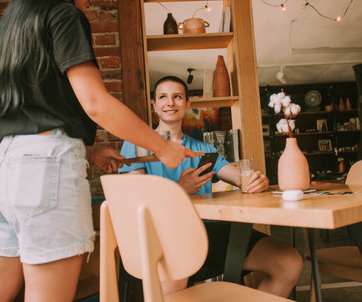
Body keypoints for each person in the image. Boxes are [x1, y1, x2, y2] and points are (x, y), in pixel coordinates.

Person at [0, 1, 196, 301]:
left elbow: (35, 110)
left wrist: (90, 151)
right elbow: (95, 103)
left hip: (0, 167)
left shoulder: (13, 20)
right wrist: (162, 147)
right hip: (42, 173)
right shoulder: (63, 13)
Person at [119, 76, 303, 298]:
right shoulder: (137, 144)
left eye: (177, 97)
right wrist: (179, 189)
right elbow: (134, 200)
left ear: (188, 104)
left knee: (289, 263)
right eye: (163, 97)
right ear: (154, 105)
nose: (170, 103)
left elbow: (240, 179)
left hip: (207, 234)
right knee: (172, 293)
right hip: (162, 236)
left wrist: (255, 181)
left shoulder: (203, 149)